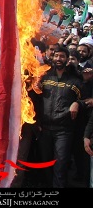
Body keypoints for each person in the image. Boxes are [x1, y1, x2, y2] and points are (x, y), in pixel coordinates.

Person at [32, 45, 85, 188]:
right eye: (56, 56)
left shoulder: (75, 81)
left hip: (64, 131)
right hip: (45, 129)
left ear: (67, 59)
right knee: (45, 163)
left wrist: (77, 103)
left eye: (62, 56)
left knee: (60, 165)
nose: (58, 58)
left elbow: (86, 100)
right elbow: (35, 99)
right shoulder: (45, 76)